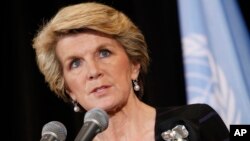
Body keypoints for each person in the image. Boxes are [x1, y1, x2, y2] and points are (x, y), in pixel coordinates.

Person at [32, 2, 229, 141]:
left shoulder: (198, 121)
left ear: (134, 65)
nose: (93, 71)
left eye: (104, 53)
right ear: (68, 89)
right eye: (75, 63)